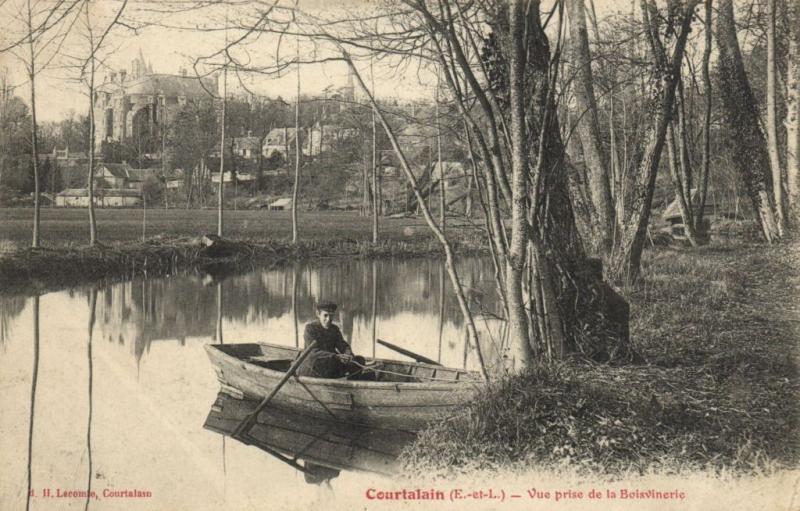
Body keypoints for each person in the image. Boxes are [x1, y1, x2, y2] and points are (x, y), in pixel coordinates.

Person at [296, 301, 366, 378]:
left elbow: (342, 345)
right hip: (314, 366)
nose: (328, 319)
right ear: (318, 314)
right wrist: (336, 356)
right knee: (328, 364)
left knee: (360, 360)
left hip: (331, 362)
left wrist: (348, 353)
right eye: (325, 315)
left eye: (331, 316)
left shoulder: (334, 329)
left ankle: (350, 385)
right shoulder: (310, 329)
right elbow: (314, 352)